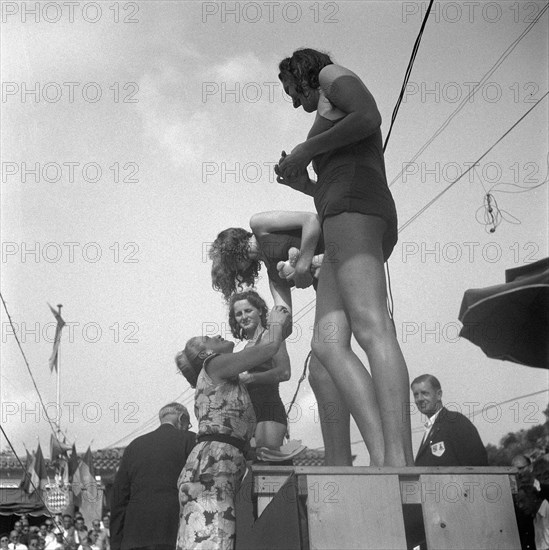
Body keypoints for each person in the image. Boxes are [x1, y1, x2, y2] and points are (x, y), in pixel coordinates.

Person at [275, 47, 413, 466]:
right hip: (340, 212)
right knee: (327, 348)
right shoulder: (325, 112)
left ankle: (400, 459)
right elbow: (328, 188)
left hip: (357, 208)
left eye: (292, 92)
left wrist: (303, 151)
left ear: (303, 74)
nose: (296, 103)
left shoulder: (332, 75)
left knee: (372, 327)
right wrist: (301, 181)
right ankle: (381, 455)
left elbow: (370, 117)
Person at [210, 211, 355, 465]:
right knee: (320, 371)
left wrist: (302, 264)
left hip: (338, 259)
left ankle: (349, 458)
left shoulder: (258, 224)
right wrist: (274, 327)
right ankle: (337, 461)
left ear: (230, 252)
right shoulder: (272, 274)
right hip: (326, 281)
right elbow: (283, 315)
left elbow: (311, 220)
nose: (234, 273)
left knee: (330, 360)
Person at [174, 305, 291, 550]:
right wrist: (276, 323)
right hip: (214, 462)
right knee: (211, 537)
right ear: (206, 353)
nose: (216, 336)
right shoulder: (215, 366)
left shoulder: (226, 381)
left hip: (220, 462)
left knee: (214, 537)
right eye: (208, 339)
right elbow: (268, 349)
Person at [110, 403, 197, 550]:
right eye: (188, 425)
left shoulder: (134, 446)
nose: (188, 428)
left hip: (134, 537)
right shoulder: (190, 440)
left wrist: (116, 543)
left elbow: (119, 497)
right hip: (175, 533)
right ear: (182, 418)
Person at [228, 290, 290, 451]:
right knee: (253, 465)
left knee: (269, 460)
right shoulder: (244, 348)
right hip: (248, 414)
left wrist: (250, 378)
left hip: (269, 409)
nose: (244, 317)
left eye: (248, 310)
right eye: (239, 314)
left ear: (260, 311)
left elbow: (284, 372)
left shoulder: (271, 337)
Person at [411, 374, 488, 466]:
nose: (419, 399)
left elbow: (478, 463)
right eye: (416, 395)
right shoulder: (431, 427)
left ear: (439, 394)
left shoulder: (456, 422)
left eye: (424, 393)